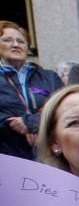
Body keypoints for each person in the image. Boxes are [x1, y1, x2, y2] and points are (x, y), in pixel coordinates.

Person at [0, 20, 63, 159]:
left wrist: (31, 123)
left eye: (21, 41)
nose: (15, 45)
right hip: (7, 155)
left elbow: (65, 108)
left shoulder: (50, 77)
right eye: (7, 40)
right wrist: (11, 123)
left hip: (49, 154)